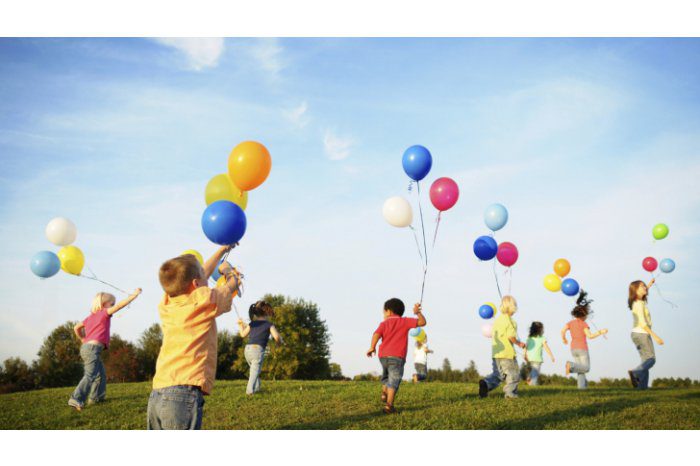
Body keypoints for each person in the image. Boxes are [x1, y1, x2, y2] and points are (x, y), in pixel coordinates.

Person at [147, 245, 239, 430]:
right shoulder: (203, 300)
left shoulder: (167, 302)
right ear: (196, 284)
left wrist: (221, 250)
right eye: (203, 275)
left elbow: (197, 275)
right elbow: (231, 286)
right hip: (182, 395)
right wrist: (229, 271)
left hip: (157, 393)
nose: (207, 274)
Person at [68, 288, 142, 411]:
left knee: (100, 375)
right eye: (111, 303)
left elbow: (76, 327)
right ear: (104, 304)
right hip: (92, 349)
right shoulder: (104, 313)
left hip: (88, 348)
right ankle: (76, 399)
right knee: (90, 375)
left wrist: (82, 338)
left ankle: (96, 398)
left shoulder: (90, 317)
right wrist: (134, 295)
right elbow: (120, 306)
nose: (113, 306)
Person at [366, 298, 426, 414]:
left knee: (386, 376)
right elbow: (422, 322)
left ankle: (384, 393)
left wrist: (372, 347)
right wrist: (417, 312)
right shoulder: (405, 321)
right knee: (394, 379)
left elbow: (376, 334)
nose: (383, 314)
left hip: (383, 356)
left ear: (389, 311)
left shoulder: (384, 323)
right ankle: (389, 406)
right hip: (397, 356)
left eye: (383, 312)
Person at [478, 295, 526, 399]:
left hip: (496, 353)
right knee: (513, 375)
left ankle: (486, 384)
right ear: (513, 307)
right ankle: (510, 395)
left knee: (498, 375)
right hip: (507, 354)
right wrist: (519, 343)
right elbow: (511, 337)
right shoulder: (511, 322)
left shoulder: (497, 320)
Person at [562, 290, 608, 390]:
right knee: (586, 368)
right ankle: (571, 366)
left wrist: (564, 338)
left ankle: (581, 388)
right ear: (583, 314)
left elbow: (563, 330)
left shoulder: (570, 323)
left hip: (573, 349)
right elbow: (590, 336)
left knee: (581, 370)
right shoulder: (584, 324)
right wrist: (601, 332)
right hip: (582, 348)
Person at [237, 300, 283, 395]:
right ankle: (249, 392)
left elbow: (242, 334)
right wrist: (279, 343)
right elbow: (277, 337)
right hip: (257, 350)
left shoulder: (252, 324)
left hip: (247, 350)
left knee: (254, 370)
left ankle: (257, 388)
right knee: (254, 371)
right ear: (266, 312)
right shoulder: (269, 324)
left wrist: (240, 325)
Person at [627, 279, 664, 389]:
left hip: (636, 334)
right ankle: (635, 372)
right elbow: (643, 324)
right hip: (642, 333)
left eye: (644, 286)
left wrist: (649, 284)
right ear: (635, 290)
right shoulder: (639, 305)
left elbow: (644, 290)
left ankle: (642, 387)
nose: (645, 288)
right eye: (642, 286)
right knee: (651, 359)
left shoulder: (636, 302)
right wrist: (655, 336)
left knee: (645, 361)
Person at [525, 321, 555, 386]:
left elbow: (525, 348)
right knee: (535, 375)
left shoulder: (529, 338)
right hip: (537, 359)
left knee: (531, 372)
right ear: (540, 330)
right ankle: (532, 386)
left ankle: (529, 377)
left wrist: (525, 355)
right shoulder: (542, 338)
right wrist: (551, 356)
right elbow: (546, 348)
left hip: (529, 359)